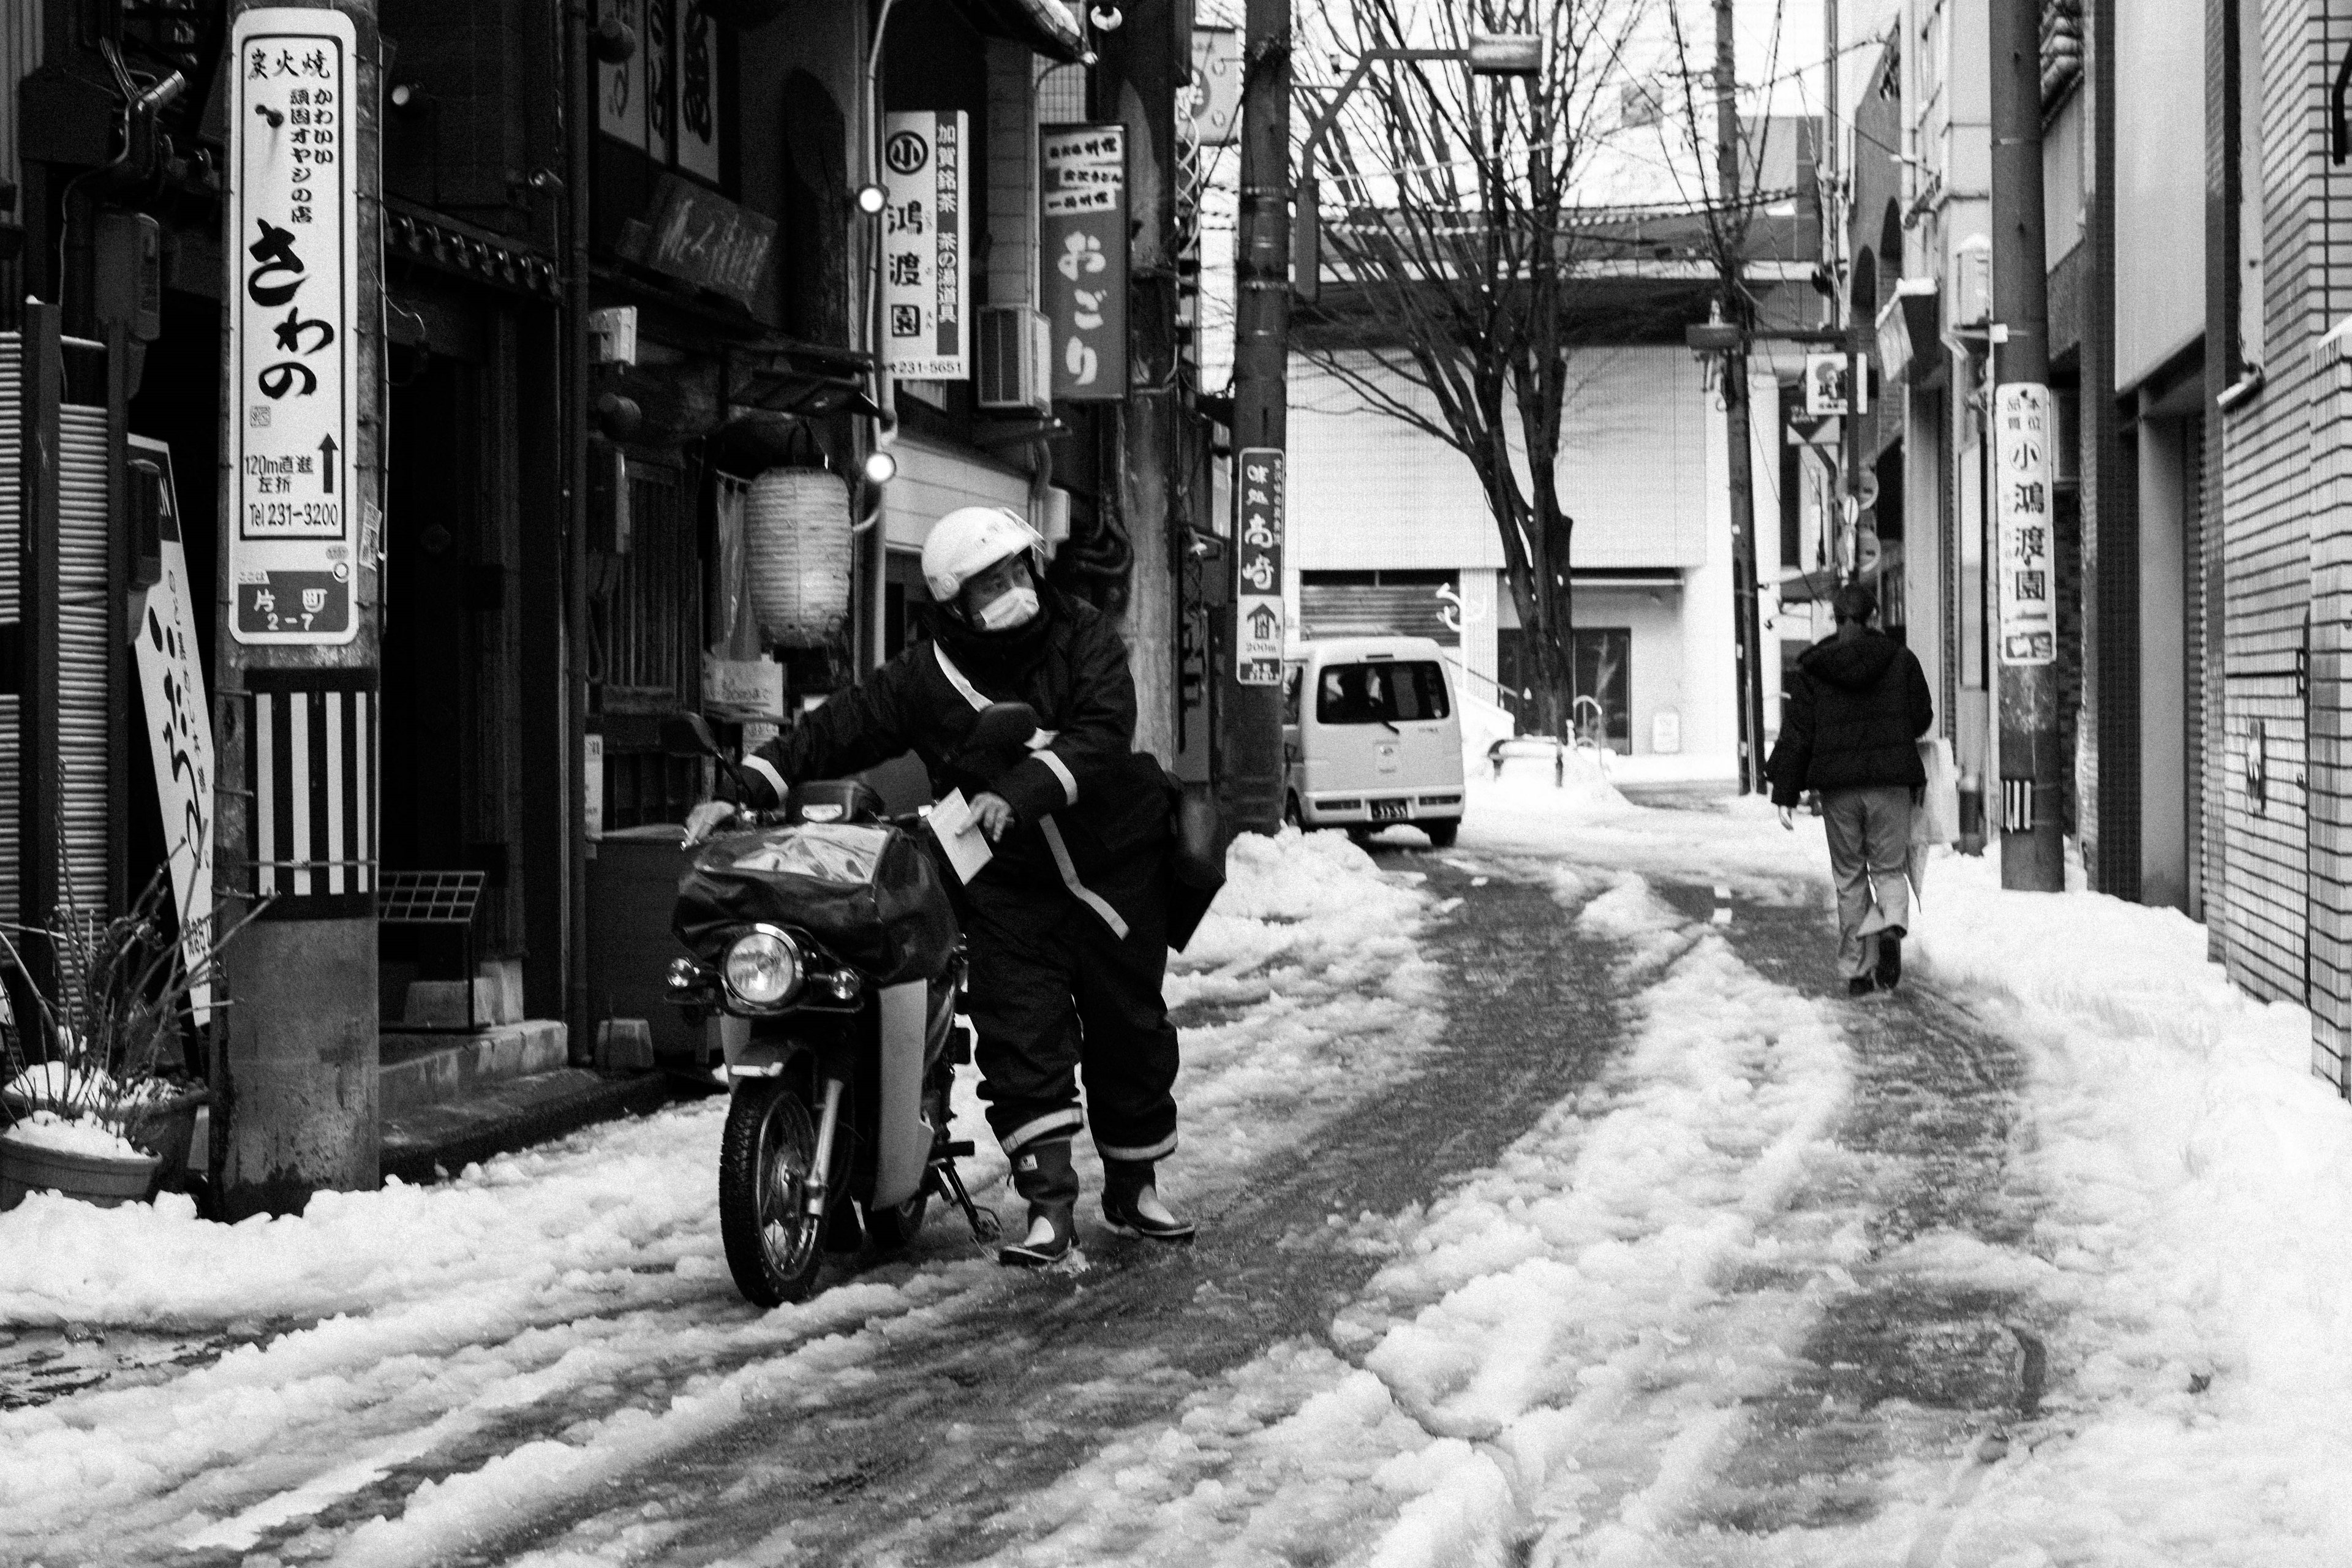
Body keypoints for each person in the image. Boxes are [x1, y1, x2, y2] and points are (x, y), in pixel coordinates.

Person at [682, 505, 1192, 1267]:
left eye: (1021, 570)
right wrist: (751, 781)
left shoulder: (1085, 634)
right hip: (1009, 882)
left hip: (1113, 868)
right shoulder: (929, 673)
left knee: (1129, 1028)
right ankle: (1049, 1208)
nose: (1015, 587)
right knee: (1021, 1030)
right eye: (993, 581)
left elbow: (1104, 728)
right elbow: (846, 722)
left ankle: (1135, 1185)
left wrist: (1017, 792)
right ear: (957, 601)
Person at [1765, 583, 1935, 997]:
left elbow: (1799, 734)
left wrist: (1786, 792)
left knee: (1849, 878)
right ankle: (1892, 922)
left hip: (1839, 789)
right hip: (1892, 784)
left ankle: (1859, 971)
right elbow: (1921, 719)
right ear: (1874, 617)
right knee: (1889, 868)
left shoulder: (1815, 668)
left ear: (1836, 619)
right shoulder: (1901, 659)